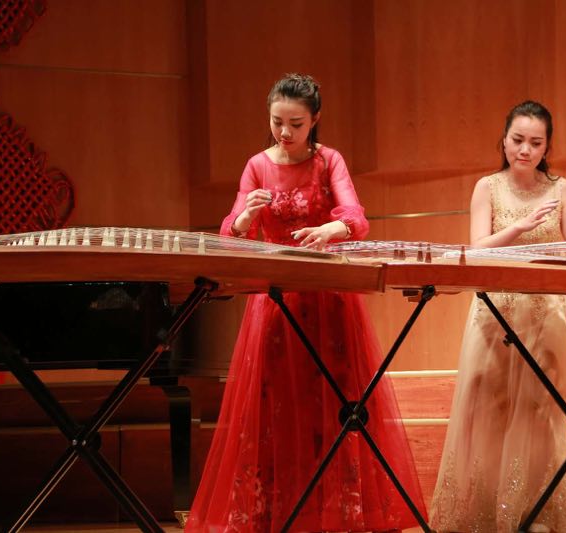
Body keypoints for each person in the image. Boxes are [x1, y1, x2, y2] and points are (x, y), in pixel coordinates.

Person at [185, 73, 426, 532]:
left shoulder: (328, 160)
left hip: (326, 299)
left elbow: (356, 218)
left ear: (315, 119)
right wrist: (246, 216)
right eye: (277, 121)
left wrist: (332, 229)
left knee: (331, 403)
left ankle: (333, 511)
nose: (284, 132)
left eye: (295, 123)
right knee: (274, 405)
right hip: (276, 300)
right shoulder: (257, 166)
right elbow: (230, 232)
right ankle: (277, 513)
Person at [429, 101, 566, 533]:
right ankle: (490, 512)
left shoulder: (560, 188)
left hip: (545, 312)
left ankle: (537, 509)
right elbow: (476, 249)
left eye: (535, 143)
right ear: (504, 140)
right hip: (496, 311)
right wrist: (519, 228)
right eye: (517, 140)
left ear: (547, 147)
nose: (525, 150)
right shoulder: (487, 187)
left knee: (542, 409)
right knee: (489, 407)